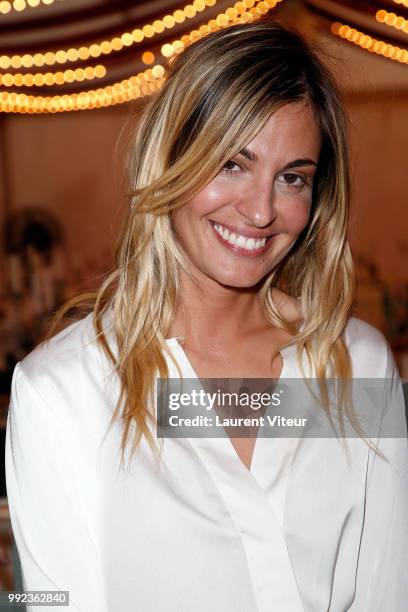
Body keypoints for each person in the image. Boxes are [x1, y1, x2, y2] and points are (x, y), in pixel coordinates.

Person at [5, 19, 408, 612]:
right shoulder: (65, 392)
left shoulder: (359, 367)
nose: (261, 210)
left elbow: (388, 591)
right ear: (171, 160)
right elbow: (52, 603)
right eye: (232, 164)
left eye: (292, 177)